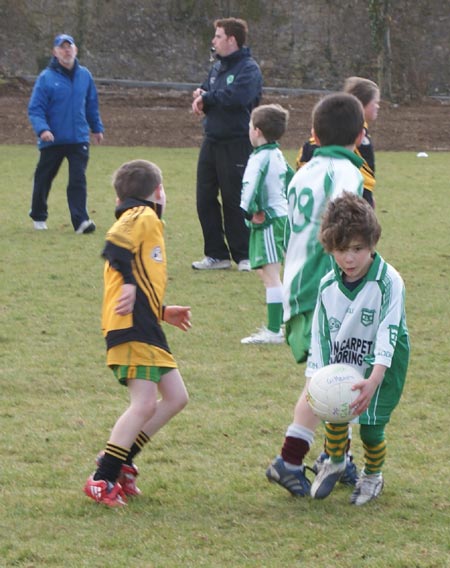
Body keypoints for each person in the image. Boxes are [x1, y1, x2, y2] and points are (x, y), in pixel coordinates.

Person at [266, 93, 366, 496]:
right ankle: (289, 460)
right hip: (321, 286)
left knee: (340, 369)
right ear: (361, 135)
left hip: (298, 280)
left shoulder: (303, 171)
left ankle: (335, 456)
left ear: (313, 133)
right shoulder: (344, 173)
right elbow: (345, 231)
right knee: (325, 377)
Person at [84, 159, 191, 507]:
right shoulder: (142, 216)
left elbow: (131, 268)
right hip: (131, 327)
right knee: (144, 403)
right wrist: (130, 286)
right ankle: (103, 477)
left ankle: (123, 461)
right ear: (158, 192)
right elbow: (114, 245)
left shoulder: (145, 222)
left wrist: (161, 310)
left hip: (147, 324)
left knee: (176, 397)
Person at [308, 192, 409, 505]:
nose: (348, 259)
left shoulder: (388, 281)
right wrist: (315, 377)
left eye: (357, 249)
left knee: (370, 429)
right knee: (334, 414)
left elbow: (388, 332)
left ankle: (373, 476)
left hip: (383, 365)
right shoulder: (327, 286)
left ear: (372, 244)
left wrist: (374, 379)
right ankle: (336, 460)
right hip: (344, 362)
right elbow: (320, 335)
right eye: (340, 249)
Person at [191, 17, 263, 271]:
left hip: (236, 142)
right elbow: (206, 89)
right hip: (211, 140)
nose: (214, 40)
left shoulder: (249, 69)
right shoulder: (218, 67)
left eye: (218, 36)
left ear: (232, 40)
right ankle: (216, 255)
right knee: (204, 198)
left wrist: (208, 97)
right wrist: (199, 96)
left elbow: (237, 98)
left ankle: (243, 255)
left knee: (234, 199)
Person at [28, 34, 104, 233]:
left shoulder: (85, 75)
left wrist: (96, 128)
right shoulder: (46, 78)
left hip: (78, 138)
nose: (66, 51)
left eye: (69, 47)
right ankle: (38, 215)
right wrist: (43, 129)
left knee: (78, 179)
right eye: (61, 48)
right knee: (44, 177)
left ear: (75, 50)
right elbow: (36, 108)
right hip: (52, 139)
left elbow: (91, 104)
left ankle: (81, 221)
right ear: (55, 52)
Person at [240, 104, 293, 344]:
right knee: (266, 272)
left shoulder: (261, 158)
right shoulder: (276, 154)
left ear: (257, 131)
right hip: (278, 217)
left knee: (271, 275)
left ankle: (275, 330)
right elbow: (292, 178)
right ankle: (279, 325)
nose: (248, 130)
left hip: (269, 221)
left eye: (250, 126)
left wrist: (248, 211)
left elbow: (251, 187)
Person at [295, 77, 380, 208]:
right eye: (375, 102)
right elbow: (311, 146)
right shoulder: (351, 130)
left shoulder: (357, 128)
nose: (378, 106)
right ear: (362, 103)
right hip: (350, 191)